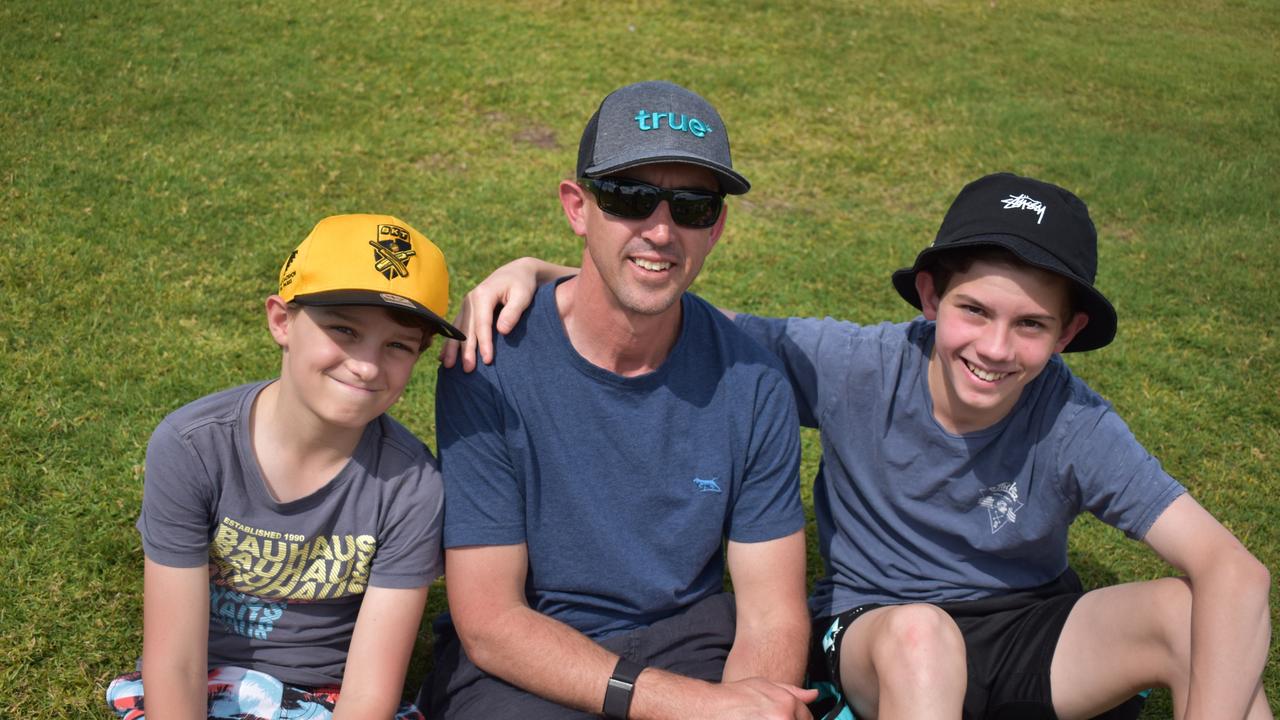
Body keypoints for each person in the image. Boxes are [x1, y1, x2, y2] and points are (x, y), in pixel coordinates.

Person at [442, 173, 1273, 720]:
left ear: (1070, 334)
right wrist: (549, 271)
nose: (994, 346)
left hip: (1025, 627)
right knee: (922, 638)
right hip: (880, 633)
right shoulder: (854, 364)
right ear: (928, 296)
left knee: (1191, 613)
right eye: (974, 311)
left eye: (1032, 326)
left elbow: (1237, 570)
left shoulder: (1075, 422)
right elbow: (682, 317)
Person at [420, 80, 816, 720]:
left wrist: (751, 705)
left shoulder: (754, 381)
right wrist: (688, 706)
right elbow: (491, 621)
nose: (661, 231)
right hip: (530, 664)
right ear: (578, 208)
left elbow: (772, 612)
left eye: (691, 207)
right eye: (630, 198)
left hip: (694, 647)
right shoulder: (488, 364)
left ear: (715, 226)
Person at [106, 214, 465, 720]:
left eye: (397, 346)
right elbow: (176, 663)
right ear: (281, 321)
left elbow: (369, 694)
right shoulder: (191, 448)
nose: (366, 366)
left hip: (328, 696)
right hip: (199, 681)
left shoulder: (412, 486)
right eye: (343, 329)